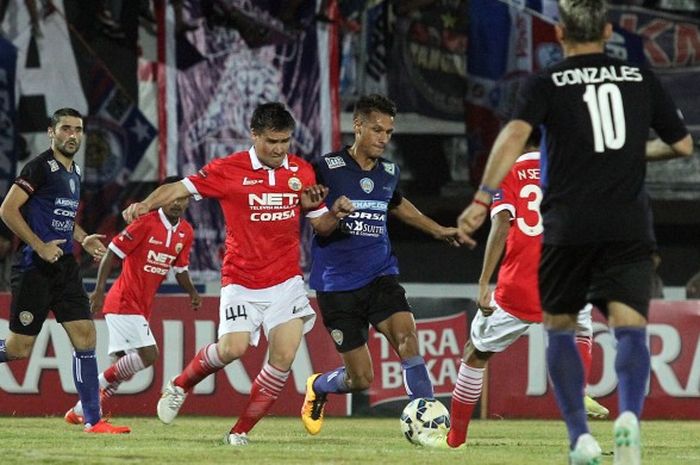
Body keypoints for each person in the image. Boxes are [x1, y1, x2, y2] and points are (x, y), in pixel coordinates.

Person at [456, 1, 693, 464]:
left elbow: (511, 137)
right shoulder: (639, 78)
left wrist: (483, 197)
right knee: (629, 330)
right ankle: (629, 417)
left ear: (561, 35)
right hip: (628, 224)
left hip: (571, 227)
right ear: (608, 31)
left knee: (561, 328)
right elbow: (682, 144)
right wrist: (628, 155)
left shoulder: (546, 83)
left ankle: (579, 437)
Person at [121, 102, 353, 446]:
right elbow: (179, 189)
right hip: (241, 280)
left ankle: (240, 432)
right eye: (271, 141)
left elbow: (320, 225)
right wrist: (144, 205)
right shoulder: (228, 169)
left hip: (286, 281)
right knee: (233, 348)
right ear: (254, 135)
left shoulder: (302, 172)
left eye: (285, 141)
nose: (278, 149)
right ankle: (180, 385)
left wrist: (335, 213)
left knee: (284, 357)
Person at [300, 93, 467, 436]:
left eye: (389, 132)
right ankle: (318, 387)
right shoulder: (324, 169)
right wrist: (332, 211)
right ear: (357, 126)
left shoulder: (389, 172)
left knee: (407, 336)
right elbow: (315, 221)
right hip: (336, 284)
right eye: (377, 129)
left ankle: (427, 425)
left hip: (380, 275)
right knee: (360, 379)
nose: (383, 138)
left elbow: (398, 204)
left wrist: (437, 230)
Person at [434, 131, 607, 450]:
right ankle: (578, 389)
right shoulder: (568, 168)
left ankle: (455, 439)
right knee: (581, 326)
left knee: (475, 352)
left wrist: (485, 280)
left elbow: (500, 224)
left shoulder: (508, 171)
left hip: (521, 283)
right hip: (565, 274)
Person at [0, 108, 131, 434]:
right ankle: (91, 418)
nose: (72, 135)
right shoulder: (40, 167)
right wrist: (39, 244)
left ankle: (92, 420)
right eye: (66, 128)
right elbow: (7, 209)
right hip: (34, 266)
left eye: (78, 129)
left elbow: (62, 218)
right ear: (51, 132)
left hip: (65, 266)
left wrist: (83, 238)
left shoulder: (73, 172)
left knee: (86, 336)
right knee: (19, 349)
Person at [64, 176, 200, 424]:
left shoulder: (185, 232)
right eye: (172, 198)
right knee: (149, 355)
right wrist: (99, 290)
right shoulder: (146, 222)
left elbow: (180, 270)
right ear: (161, 199)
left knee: (118, 368)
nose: (177, 203)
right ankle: (88, 398)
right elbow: (112, 253)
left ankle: (80, 411)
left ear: (189, 202)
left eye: (182, 198)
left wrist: (191, 292)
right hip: (123, 300)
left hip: (141, 306)